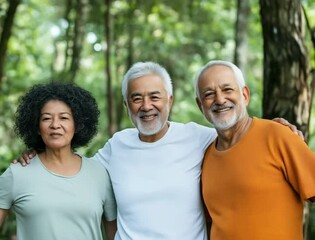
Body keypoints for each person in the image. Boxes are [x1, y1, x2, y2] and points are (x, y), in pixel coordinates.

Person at [18, 61, 302, 240]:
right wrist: (38, 155)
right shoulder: (117, 145)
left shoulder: (198, 137)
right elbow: (73, 170)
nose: (146, 106)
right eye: (136, 98)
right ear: (127, 105)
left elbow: (238, 134)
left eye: (155, 96)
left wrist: (274, 128)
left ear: (170, 100)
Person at [0, 82, 117, 240]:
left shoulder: (99, 173)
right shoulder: (18, 173)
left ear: (77, 125)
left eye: (64, 118)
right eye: (46, 118)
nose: (55, 125)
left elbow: (114, 234)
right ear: (37, 127)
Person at [194, 60, 315, 240]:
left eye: (227, 90)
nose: (220, 99)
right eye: (209, 94)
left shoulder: (278, 135)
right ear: (200, 105)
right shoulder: (205, 157)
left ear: (244, 95)